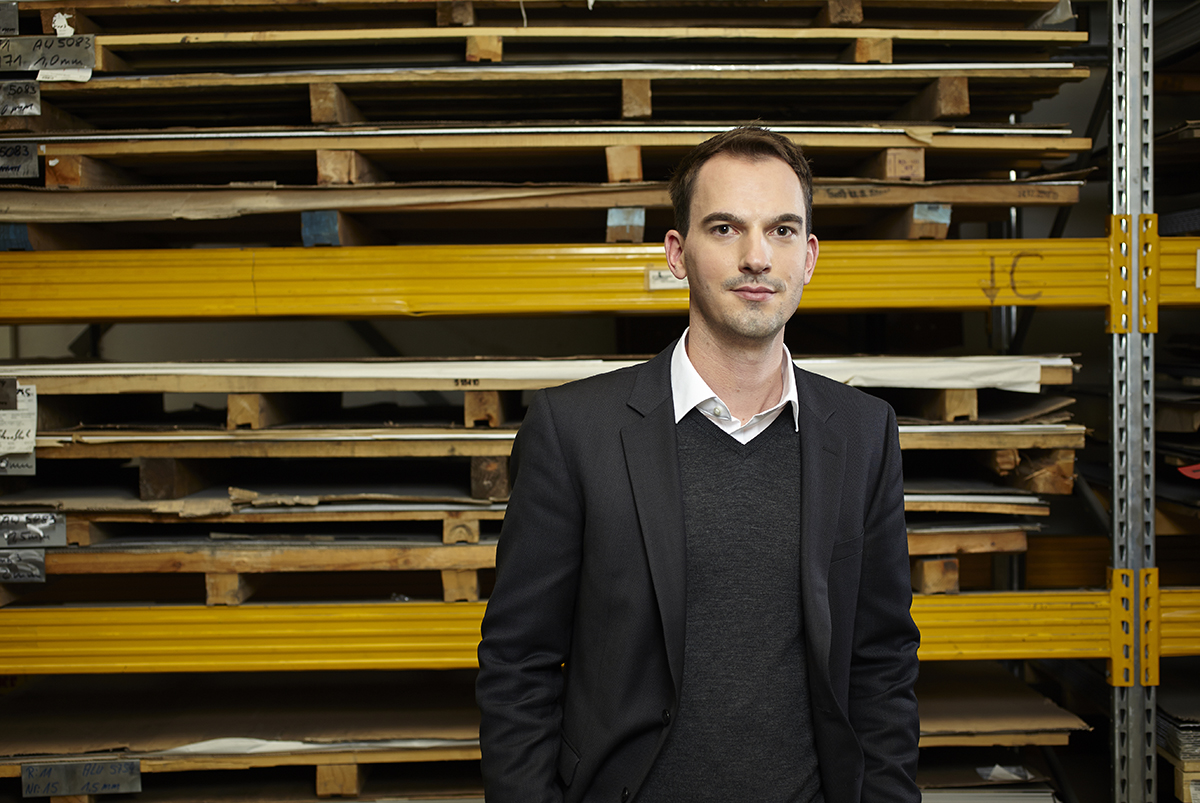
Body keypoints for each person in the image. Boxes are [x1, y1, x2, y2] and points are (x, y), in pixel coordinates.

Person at [476, 126, 920, 803]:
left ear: (808, 256)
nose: (755, 257)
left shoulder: (862, 433)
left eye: (781, 230)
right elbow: (518, 665)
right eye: (724, 228)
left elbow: (881, 661)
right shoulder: (574, 431)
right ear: (678, 253)